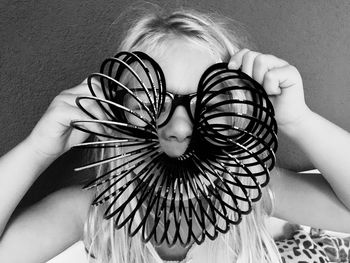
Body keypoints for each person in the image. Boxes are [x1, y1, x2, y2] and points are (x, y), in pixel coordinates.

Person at [1, 7, 350, 263]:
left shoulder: (254, 192)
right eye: (150, 102)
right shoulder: (92, 212)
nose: (179, 127)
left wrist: (299, 120)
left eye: (206, 102)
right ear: (115, 116)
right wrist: (37, 150)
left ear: (234, 113)